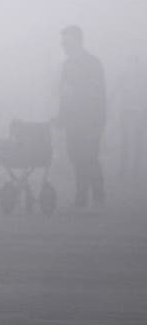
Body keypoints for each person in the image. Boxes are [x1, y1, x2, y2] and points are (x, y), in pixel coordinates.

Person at [56, 26, 106, 208]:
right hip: (73, 120)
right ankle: (86, 195)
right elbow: (64, 93)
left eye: (66, 42)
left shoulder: (93, 63)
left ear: (78, 41)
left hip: (90, 119)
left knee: (89, 156)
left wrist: (99, 123)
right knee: (76, 157)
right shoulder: (67, 65)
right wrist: (61, 117)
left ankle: (93, 196)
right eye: (62, 42)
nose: (63, 46)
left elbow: (98, 95)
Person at [113, 56, 147, 178]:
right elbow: (115, 90)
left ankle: (131, 170)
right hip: (128, 111)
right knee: (128, 141)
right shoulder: (127, 75)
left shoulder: (139, 76)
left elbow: (115, 90)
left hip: (136, 111)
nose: (134, 66)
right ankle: (127, 170)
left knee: (133, 141)